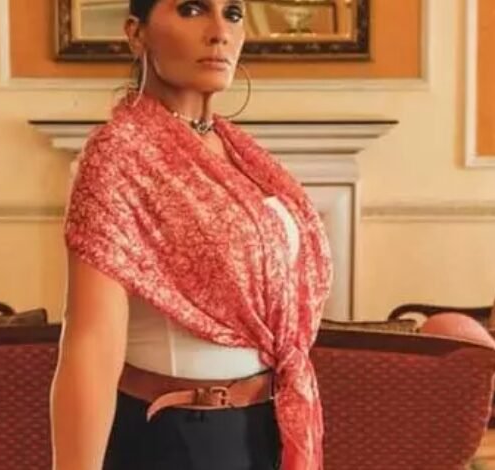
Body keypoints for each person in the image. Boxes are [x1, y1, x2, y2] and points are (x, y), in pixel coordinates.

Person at [49, 0, 333, 468]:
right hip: (180, 439)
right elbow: (91, 341)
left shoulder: (241, 154)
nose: (219, 31)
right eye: (192, 9)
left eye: (233, 13)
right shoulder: (119, 156)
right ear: (136, 33)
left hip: (266, 426)